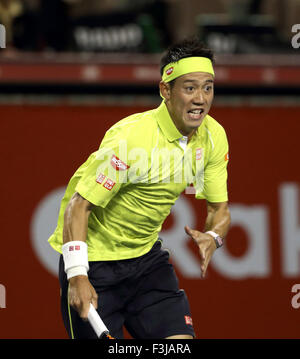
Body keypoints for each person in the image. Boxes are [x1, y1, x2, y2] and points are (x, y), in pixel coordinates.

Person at [48, 36, 231, 339]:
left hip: (146, 263)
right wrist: (78, 275)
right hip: (95, 266)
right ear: (165, 91)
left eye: (207, 87)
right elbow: (78, 205)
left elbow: (219, 210)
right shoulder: (131, 140)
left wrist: (213, 235)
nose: (201, 98)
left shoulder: (214, 137)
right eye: (190, 88)